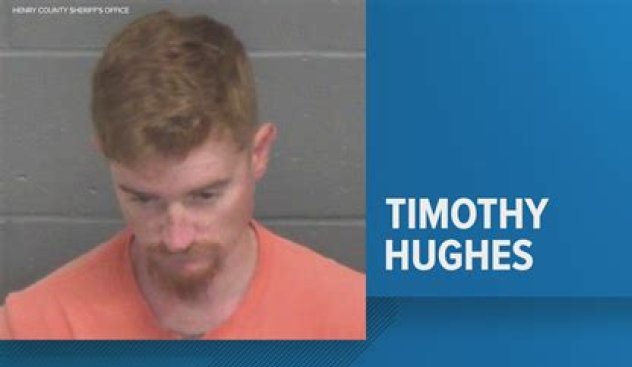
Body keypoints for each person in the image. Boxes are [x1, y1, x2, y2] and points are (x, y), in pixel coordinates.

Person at [0, 11, 365, 340]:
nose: (177, 240)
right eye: (143, 199)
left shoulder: (355, 322)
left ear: (258, 153)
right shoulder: (33, 329)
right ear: (108, 159)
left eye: (205, 196)